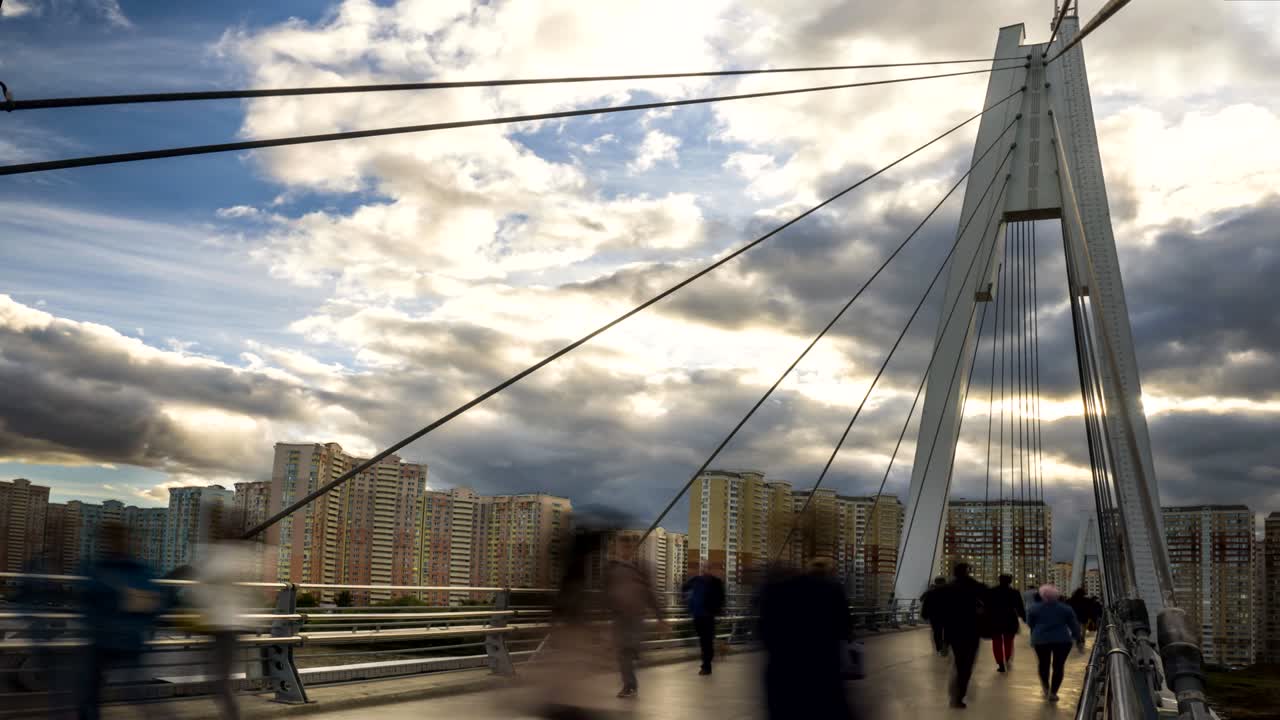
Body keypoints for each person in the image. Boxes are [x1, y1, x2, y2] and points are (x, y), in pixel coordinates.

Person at [78, 521, 166, 720]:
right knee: (131, 694)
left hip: (111, 640)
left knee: (92, 694)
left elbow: (87, 604)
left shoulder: (100, 569)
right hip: (123, 640)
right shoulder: (140, 571)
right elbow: (157, 604)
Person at [757, 557, 853, 719]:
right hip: (823, 669)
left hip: (782, 672)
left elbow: (764, 631)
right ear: (830, 571)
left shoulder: (776, 589)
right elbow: (845, 627)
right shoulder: (833, 589)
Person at [190, 514, 258, 720]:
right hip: (220, 625)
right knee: (218, 680)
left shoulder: (226, 557)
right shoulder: (233, 555)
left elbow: (207, 585)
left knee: (219, 682)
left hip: (225, 626)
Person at [604, 559, 665, 699]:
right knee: (623, 651)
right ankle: (630, 685)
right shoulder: (613, 568)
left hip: (636, 616)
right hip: (619, 617)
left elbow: (650, 594)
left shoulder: (639, 569)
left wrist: (660, 617)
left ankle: (631, 678)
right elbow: (607, 592)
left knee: (627, 650)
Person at [938, 563, 988, 709]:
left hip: (953, 631)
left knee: (959, 661)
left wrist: (944, 639)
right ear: (968, 571)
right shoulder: (976, 586)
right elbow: (988, 600)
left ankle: (955, 691)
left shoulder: (947, 589)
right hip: (972, 630)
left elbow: (942, 613)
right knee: (967, 664)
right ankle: (959, 695)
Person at [1027, 584, 1084, 702]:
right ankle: (1053, 692)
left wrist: (1038, 629)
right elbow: (1074, 625)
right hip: (1062, 640)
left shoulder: (1034, 608)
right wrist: (1078, 639)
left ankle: (1046, 688)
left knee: (1043, 664)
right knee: (1058, 666)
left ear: (1042, 595)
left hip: (1041, 640)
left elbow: (1030, 623)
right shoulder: (1066, 608)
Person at [682, 562, 727, 675]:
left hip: (708, 615)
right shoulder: (696, 580)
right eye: (703, 568)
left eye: (708, 568)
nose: (705, 570)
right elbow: (684, 588)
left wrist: (718, 611)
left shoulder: (716, 582)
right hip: (697, 615)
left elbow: (721, 598)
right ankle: (708, 661)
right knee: (704, 641)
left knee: (707, 641)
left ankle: (706, 666)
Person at [985, 574, 1026, 673]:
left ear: (999, 580)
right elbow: (1020, 607)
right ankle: (1006, 659)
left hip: (995, 619)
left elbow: (987, 606)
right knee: (1008, 642)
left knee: (997, 642)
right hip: (1010, 619)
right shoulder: (1014, 592)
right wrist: (1024, 618)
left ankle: (1000, 663)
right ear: (1010, 581)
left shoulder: (992, 591)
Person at [920, 576, 949, 657]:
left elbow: (923, 600)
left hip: (935, 616)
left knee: (937, 633)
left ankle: (939, 649)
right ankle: (944, 647)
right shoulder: (949, 591)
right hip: (946, 616)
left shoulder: (931, 592)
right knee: (945, 632)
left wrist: (924, 615)